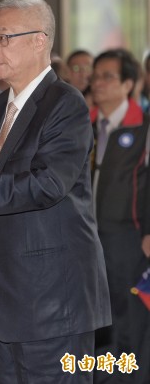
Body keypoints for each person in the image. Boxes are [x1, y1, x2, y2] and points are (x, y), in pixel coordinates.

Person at [0, 0, 111, 382]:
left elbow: (47, 183)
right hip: (5, 300)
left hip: (52, 300)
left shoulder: (65, 103)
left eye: (3, 38)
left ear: (39, 40)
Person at [89, 49, 150, 384]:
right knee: (99, 320)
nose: (98, 82)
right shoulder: (85, 124)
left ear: (128, 83)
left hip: (128, 239)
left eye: (107, 76)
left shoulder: (142, 128)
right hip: (89, 238)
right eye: (95, 76)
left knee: (129, 320)